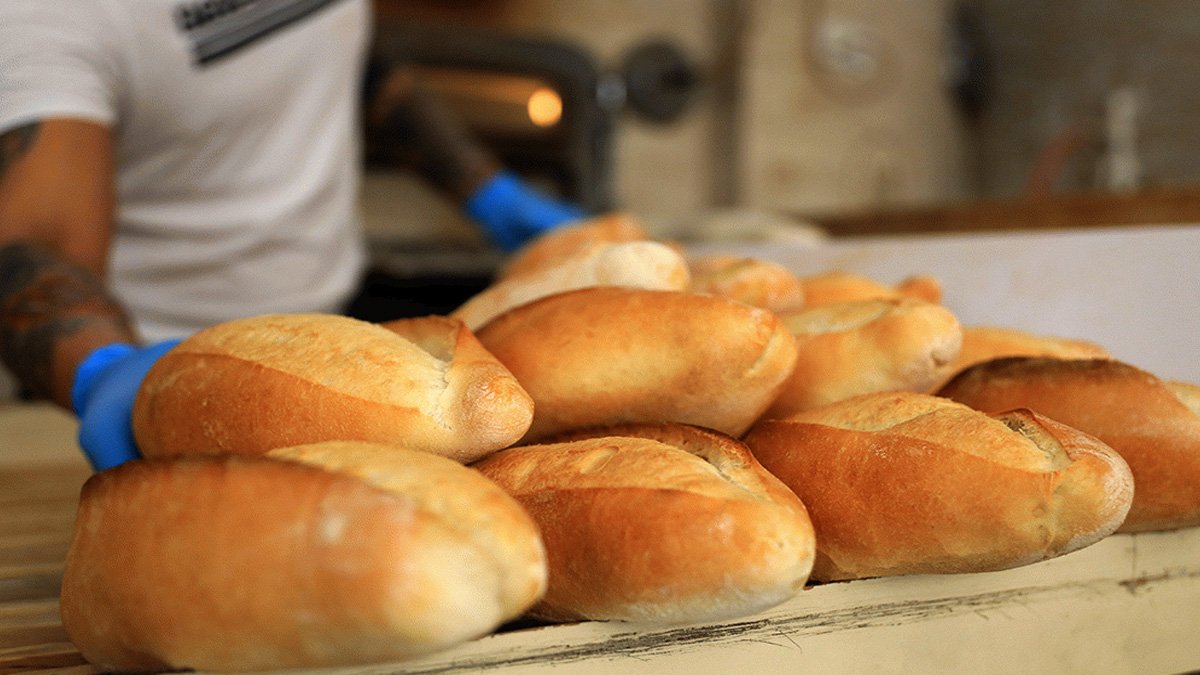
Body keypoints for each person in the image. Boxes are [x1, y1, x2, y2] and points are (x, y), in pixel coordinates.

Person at [0, 0, 585, 471]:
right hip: (165, 379)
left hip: (334, 336)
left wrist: (486, 188)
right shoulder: (45, 15)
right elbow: (30, 243)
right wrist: (101, 368)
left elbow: (328, 40)